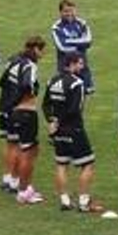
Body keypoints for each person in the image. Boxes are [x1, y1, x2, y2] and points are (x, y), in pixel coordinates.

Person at [44, 51, 99, 212]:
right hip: (73, 128)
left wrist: (52, 120)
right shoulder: (77, 83)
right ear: (72, 64)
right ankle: (83, 202)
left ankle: (65, 200)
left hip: (58, 130)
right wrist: (60, 121)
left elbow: (46, 105)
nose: (82, 66)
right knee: (87, 164)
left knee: (61, 164)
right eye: (80, 63)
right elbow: (75, 109)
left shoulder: (52, 80)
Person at [0, 36, 48, 204]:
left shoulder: (13, 61)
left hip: (11, 112)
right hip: (26, 113)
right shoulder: (29, 66)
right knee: (29, 152)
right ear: (35, 49)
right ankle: (24, 189)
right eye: (42, 50)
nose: (43, 53)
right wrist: (26, 96)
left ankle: (12, 180)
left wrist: (11, 101)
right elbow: (28, 85)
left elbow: (2, 81)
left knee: (14, 145)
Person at [50, 0, 95, 93]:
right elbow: (62, 47)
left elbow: (89, 41)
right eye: (66, 11)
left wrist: (69, 41)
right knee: (65, 95)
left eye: (72, 11)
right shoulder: (56, 28)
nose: (69, 14)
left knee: (84, 95)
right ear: (60, 12)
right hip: (65, 70)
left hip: (82, 68)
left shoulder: (82, 23)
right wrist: (80, 44)